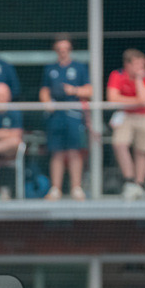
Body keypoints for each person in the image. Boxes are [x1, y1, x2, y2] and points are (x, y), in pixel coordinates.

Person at [40, 37, 91, 201]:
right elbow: (44, 90)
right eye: (60, 49)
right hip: (56, 115)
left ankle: (76, 187)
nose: (63, 52)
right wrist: (47, 103)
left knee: (74, 151)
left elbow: (89, 91)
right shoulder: (50, 69)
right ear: (55, 50)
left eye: (66, 49)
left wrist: (73, 90)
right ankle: (56, 188)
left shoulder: (79, 67)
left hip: (74, 115)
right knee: (57, 152)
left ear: (70, 50)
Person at [107, 48, 145, 200]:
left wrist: (138, 80)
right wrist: (137, 103)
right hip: (125, 116)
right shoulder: (117, 75)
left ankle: (139, 184)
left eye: (143, 64)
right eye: (137, 65)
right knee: (119, 143)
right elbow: (112, 98)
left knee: (141, 150)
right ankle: (129, 181)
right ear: (127, 65)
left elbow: (144, 98)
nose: (141, 68)